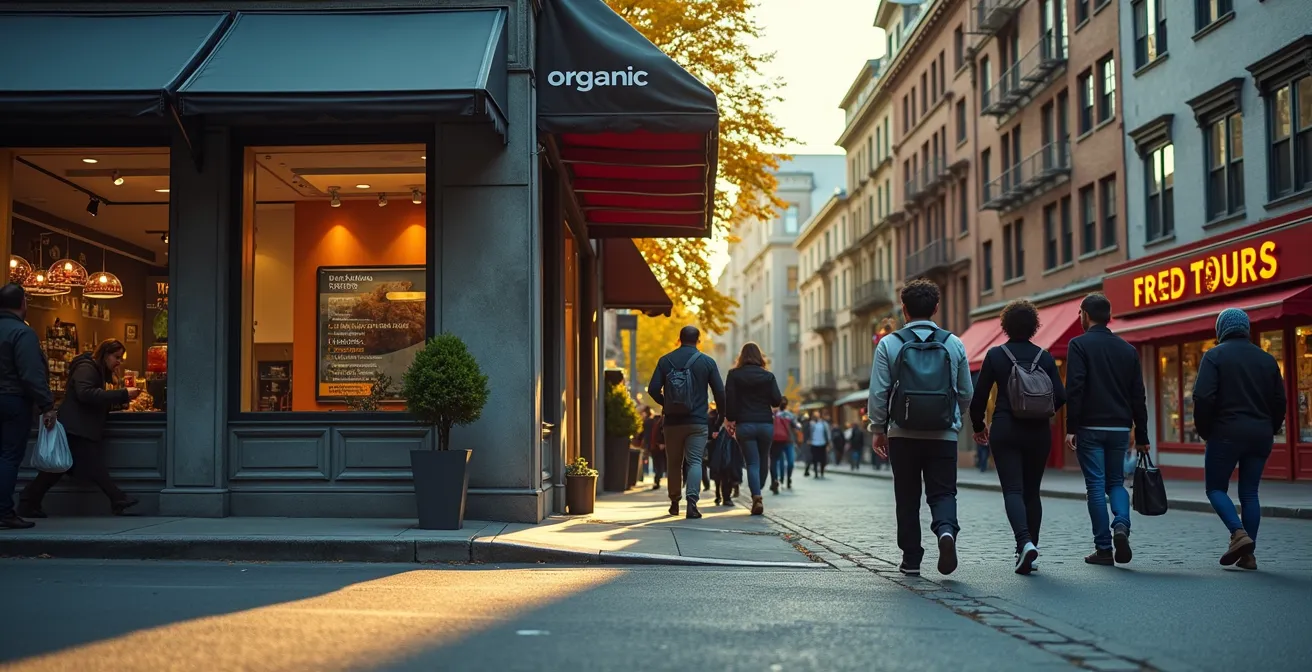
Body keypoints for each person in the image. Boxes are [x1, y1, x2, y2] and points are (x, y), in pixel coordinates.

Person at [868, 279, 972, 577]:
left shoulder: (889, 343)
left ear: (904, 309)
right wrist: (954, 418)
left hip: (902, 432)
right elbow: (965, 391)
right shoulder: (954, 343)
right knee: (943, 492)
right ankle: (946, 532)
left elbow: (879, 392)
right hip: (943, 434)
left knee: (907, 495)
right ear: (936, 308)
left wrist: (878, 428)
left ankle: (911, 558)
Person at [970, 300, 1067, 575]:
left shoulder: (996, 355)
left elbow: (978, 399)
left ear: (1005, 326)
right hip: (1038, 432)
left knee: (1012, 489)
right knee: (1032, 492)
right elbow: (1060, 396)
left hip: (1005, 428)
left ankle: (1023, 543)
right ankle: (1030, 551)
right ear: (1034, 326)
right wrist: (1041, 412)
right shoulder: (1045, 357)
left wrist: (979, 426)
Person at [1192, 309, 1286, 571]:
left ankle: (1238, 533)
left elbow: (1203, 397)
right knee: (1249, 493)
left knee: (1215, 488)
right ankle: (1248, 555)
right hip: (1260, 434)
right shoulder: (1267, 360)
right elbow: (1280, 401)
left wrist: (1205, 430)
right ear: (1246, 329)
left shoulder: (1214, 356)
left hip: (1225, 432)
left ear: (1221, 329)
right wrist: (1271, 427)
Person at [1065, 293, 1149, 566]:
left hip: (1090, 427)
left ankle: (1103, 548)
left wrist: (1071, 426)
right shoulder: (1127, 350)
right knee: (1117, 483)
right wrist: (1143, 436)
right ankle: (1122, 525)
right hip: (1119, 428)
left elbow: (1075, 387)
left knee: (1095, 486)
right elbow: (1139, 395)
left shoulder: (1078, 345)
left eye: (1080, 313)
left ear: (1086, 315)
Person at [20, 339, 142, 517]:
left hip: (77, 426)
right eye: (116, 357)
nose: (119, 362)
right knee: (92, 465)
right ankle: (118, 498)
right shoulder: (87, 368)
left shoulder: (95, 369)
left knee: (56, 470)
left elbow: (92, 397)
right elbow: (85, 394)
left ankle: (28, 499)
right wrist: (123, 394)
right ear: (105, 354)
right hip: (76, 427)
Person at [646, 326, 726, 519]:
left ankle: (674, 502)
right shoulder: (707, 362)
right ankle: (692, 503)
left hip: (672, 423)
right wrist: (720, 418)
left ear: (679, 339)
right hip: (698, 421)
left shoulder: (665, 361)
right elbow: (720, 392)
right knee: (695, 461)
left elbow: (653, 388)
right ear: (698, 340)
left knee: (673, 462)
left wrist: (667, 403)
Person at [0, 284, 56, 530]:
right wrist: (47, 405)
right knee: (9, 456)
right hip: (12, 400)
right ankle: (4, 511)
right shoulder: (22, 333)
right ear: (23, 303)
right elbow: (31, 374)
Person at [723, 342, 782, 515]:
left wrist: (731, 419)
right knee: (764, 459)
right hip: (765, 423)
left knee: (752, 462)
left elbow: (730, 400)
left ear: (741, 357)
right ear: (760, 357)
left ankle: (756, 495)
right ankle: (759, 487)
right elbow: (776, 400)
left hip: (745, 424)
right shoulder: (768, 376)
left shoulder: (734, 375)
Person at [770, 397, 799, 491]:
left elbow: (796, 426)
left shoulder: (788, 415)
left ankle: (784, 479)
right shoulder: (775, 414)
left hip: (785, 441)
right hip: (780, 441)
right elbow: (797, 427)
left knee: (787, 462)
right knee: (782, 462)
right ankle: (778, 480)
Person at [805, 410, 831, 479]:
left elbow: (827, 434)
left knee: (823, 459)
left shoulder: (824, 424)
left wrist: (828, 443)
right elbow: (807, 433)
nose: (816, 416)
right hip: (814, 443)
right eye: (814, 415)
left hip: (822, 443)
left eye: (817, 415)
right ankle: (816, 473)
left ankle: (822, 472)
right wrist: (808, 440)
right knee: (815, 459)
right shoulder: (811, 424)